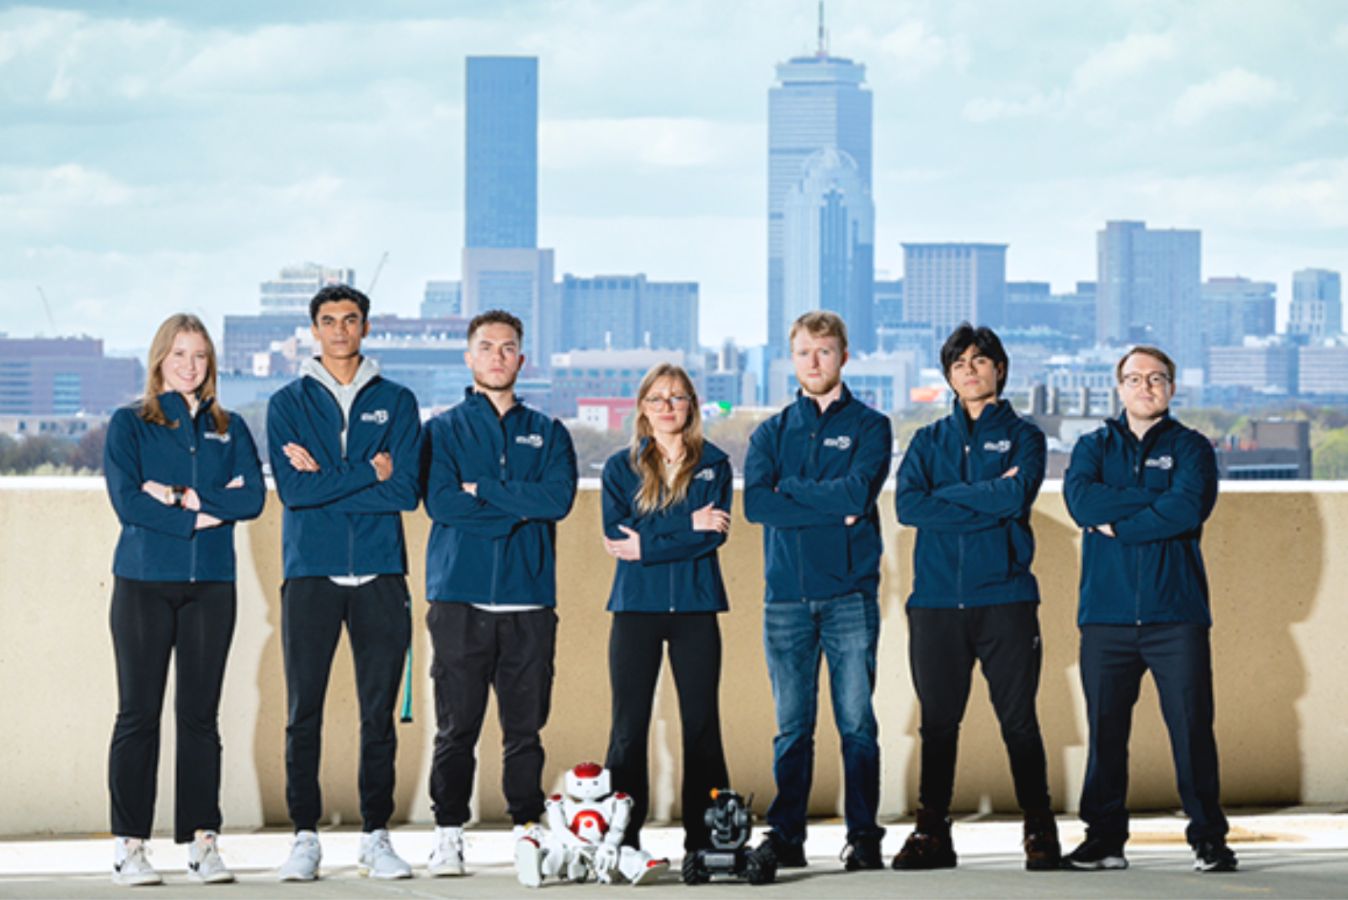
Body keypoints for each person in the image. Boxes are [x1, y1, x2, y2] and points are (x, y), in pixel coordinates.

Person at [266, 284, 422, 881]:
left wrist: (333, 476)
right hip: (310, 573)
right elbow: (296, 493)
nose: (339, 331)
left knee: (377, 713)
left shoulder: (398, 402)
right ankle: (304, 836)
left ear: (365, 327)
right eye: (328, 321)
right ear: (314, 330)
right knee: (303, 710)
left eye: (350, 320)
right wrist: (364, 471)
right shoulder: (287, 403)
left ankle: (375, 835)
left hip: (381, 572)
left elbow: (403, 491)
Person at [102, 313, 265, 885]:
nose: (190, 366)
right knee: (137, 716)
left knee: (200, 719)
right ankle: (130, 846)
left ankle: (203, 843)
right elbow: (129, 505)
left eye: (199, 356)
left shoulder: (231, 426)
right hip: (143, 585)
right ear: (159, 362)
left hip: (211, 590)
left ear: (211, 363)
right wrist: (205, 516)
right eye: (179, 355)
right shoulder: (129, 425)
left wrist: (178, 497)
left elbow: (253, 502)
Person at [1062, 345, 1238, 873]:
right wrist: (1148, 507)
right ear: (1119, 387)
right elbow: (1083, 505)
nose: (1146, 387)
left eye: (1157, 378)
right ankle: (1105, 839)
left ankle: (1209, 838)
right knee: (1106, 734)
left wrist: (1119, 524)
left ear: (1172, 387)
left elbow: (1187, 508)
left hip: (1175, 615)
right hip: (1106, 618)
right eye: (1135, 378)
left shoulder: (1192, 448)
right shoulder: (1092, 446)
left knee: (1191, 730)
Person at [892, 323, 1059, 871]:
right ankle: (932, 834)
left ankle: (1040, 829)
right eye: (959, 363)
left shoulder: (1026, 436)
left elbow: (1016, 497)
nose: (970, 370)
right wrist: (984, 497)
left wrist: (953, 498)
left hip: (1005, 599)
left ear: (999, 370)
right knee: (938, 724)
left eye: (979, 361)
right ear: (948, 377)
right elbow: (910, 508)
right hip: (937, 603)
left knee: (1019, 721)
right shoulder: (927, 441)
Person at [421, 310, 577, 876]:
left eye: (508, 347)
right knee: (455, 728)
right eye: (486, 346)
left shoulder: (550, 431)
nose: (497, 356)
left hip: (529, 601)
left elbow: (557, 500)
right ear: (469, 357)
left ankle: (527, 833)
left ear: (521, 359)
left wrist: (484, 491)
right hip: (459, 599)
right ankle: (447, 834)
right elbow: (442, 503)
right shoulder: (440, 430)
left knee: (524, 730)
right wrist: (517, 508)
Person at [743, 311, 892, 871]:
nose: (814, 362)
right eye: (804, 352)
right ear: (792, 359)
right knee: (792, 728)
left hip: (850, 594)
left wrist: (795, 492)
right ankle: (787, 836)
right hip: (785, 598)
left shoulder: (872, 426)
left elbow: (857, 495)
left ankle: (864, 835)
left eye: (824, 352)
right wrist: (828, 504)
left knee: (857, 723)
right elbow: (758, 504)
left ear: (843, 356)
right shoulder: (771, 431)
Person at [600, 363, 733, 866]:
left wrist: (652, 539)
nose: (667, 407)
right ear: (642, 408)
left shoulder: (714, 464)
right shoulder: (620, 467)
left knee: (701, 726)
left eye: (677, 398)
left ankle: (704, 842)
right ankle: (624, 841)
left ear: (692, 406)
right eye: (657, 398)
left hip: (697, 608)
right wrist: (686, 523)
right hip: (635, 608)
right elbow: (619, 539)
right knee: (628, 729)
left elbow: (713, 534)